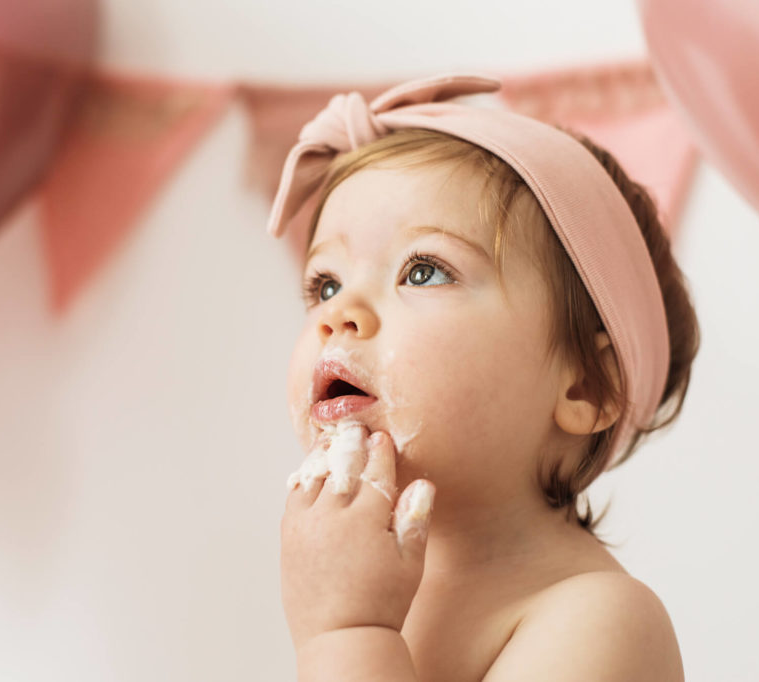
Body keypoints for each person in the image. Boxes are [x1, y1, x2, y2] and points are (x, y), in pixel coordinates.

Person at [270, 73, 699, 682]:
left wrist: (344, 634)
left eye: (422, 271)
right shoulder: (360, 578)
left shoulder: (601, 620)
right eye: (326, 284)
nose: (339, 316)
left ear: (585, 387)